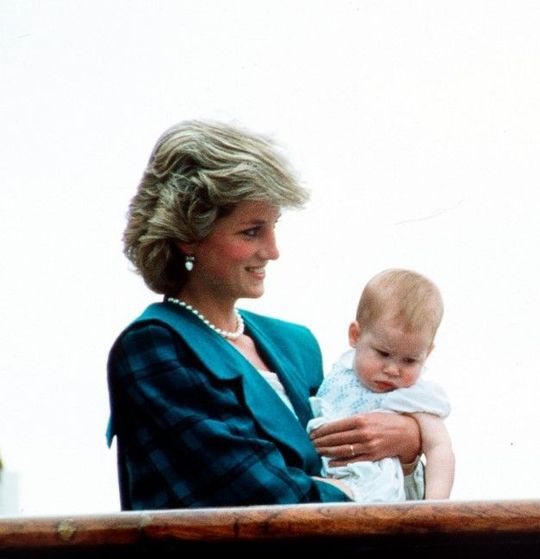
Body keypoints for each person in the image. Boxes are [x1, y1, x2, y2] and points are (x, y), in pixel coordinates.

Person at [107, 120, 421, 509]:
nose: (273, 251)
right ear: (188, 234)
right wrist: (357, 494)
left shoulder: (297, 345)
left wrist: (408, 442)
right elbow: (257, 495)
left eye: (273, 227)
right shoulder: (154, 347)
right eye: (252, 231)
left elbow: (355, 467)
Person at [307, 269, 454, 501]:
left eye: (410, 360)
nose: (393, 370)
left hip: (373, 492)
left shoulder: (413, 394)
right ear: (355, 335)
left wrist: (435, 508)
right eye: (383, 353)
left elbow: (439, 448)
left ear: (427, 353)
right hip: (324, 473)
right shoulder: (342, 372)